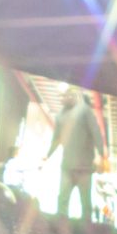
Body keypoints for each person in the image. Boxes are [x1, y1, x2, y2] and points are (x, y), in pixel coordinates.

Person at [44, 87, 103, 221]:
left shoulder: (85, 111)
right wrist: (47, 155)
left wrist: (102, 155)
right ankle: (60, 233)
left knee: (86, 204)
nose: (64, 98)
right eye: (63, 96)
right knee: (63, 201)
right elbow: (56, 139)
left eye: (67, 95)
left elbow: (95, 131)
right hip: (67, 167)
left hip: (85, 168)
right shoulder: (59, 116)